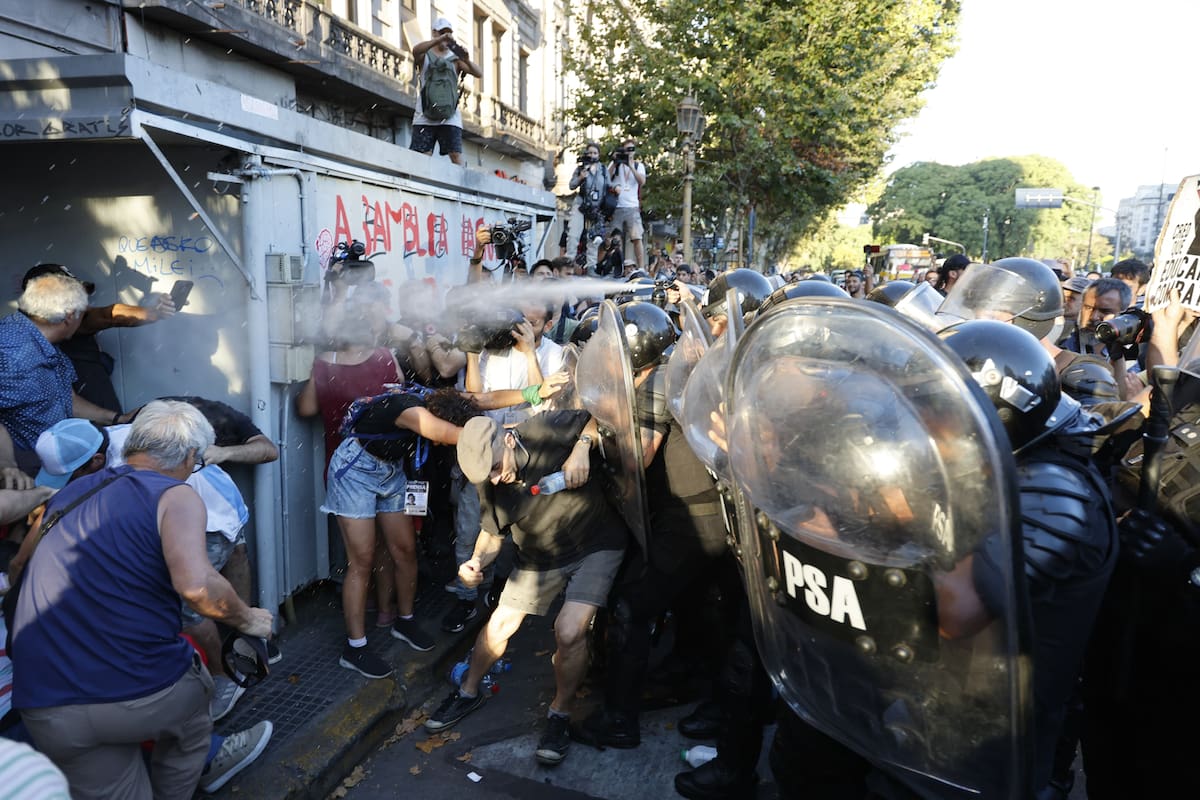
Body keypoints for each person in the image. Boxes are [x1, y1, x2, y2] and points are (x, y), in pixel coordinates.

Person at [10, 400, 273, 800]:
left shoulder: (73, 491)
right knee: (193, 709)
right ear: (189, 456)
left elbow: (18, 569)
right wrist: (249, 620)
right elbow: (198, 587)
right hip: (137, 694)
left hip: (43, 703)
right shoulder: (176, 496)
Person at [424, 411, 628, 769]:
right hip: (538, 556)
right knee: (500, 625)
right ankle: (468, 691)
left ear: (506, 439)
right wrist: (475, 563)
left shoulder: (543, 429)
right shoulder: (488, 481)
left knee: (568, 630)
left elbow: (594, 417)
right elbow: (492, 532)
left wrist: (582, 446)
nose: (494, 477)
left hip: (596, 543)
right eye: (485, 475)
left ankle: (559, 715)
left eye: (494, 467)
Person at [572, 303, 730, 752]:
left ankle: (619, 721)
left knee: (630, 606)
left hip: (691, 521)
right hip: (698, 515)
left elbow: (637, 456)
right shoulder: (668, 369)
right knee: (694, 606)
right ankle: (688, 678)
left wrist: (596, 433)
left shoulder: (657, 382)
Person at [0, 273, 130, 473]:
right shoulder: (10, 355)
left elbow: (65, 398)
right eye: (83, 314)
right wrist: (7, 465)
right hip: (26, 473)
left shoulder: (44, 343)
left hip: (56, 465)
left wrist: (117, 419)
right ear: (70, 315)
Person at [21, 263, 177, 412]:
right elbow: (109, 315)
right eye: (70, 295)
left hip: (97, 415)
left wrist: (154, 313)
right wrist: (152, 313)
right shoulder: (15, 343)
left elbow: (110, 314)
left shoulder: (66, 320)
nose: (80, 305)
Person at [408, 17, 482, 165]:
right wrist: (437, 40)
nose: (446, 36)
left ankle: (461, 186)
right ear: (434, 33)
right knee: (422, 157)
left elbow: (478, 73)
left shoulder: (455, 58)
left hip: (450, 116)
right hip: (424, 114)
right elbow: (415, 50)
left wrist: (466, 59)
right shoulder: (425, 54)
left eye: (448, 33)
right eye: (442, 32)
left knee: (455, 155)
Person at [565, 142, 609, 272]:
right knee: (573, 235)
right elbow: (571, 185)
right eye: (589, 153)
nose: (592, 155)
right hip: (581, 205)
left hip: (595, 208)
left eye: (595, 153)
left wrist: (616, 188)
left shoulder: (603, 170)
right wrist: (580, 177)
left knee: (593, 238)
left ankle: (591, 267)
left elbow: (609, 185)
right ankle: (569, 264)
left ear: (599, 155)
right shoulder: (581, 168)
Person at [607, 138, 648, 270]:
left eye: (631, 149)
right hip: (617, 206)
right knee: (615, 239)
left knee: (637, 237)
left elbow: (642, 181)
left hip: (632, 207)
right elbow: (606, 177)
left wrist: (630, 165)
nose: (629, 152)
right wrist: (615, 161)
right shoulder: (616, 164)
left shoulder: (638, 165)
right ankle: (616, 266)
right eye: (626, 150)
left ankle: (641, 267)